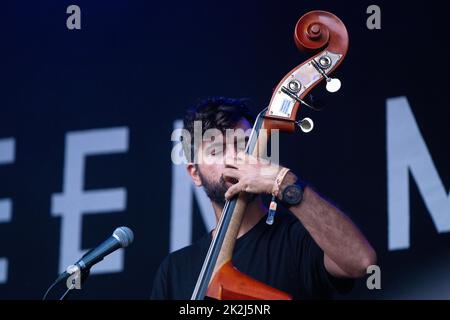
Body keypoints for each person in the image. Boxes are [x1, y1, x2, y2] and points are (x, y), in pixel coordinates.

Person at [151, 97, 376, 300]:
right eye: (216, 150)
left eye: (244, 145)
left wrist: (284, 182)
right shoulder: (174, 271)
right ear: (194, 174)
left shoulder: (299, 238)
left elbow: (361, 262)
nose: (234, 157)